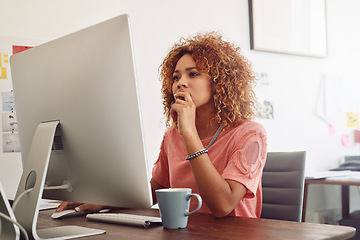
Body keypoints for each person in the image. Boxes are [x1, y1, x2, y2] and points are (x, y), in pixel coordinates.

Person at [56, 32, 267, 218]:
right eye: (176, 77)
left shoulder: (250, 133)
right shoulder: (173, 136)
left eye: (193, 74)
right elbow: (152, 192)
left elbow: (223, 205)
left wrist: (190, 135)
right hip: (186, 232)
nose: (180, 83)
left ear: (220, 82)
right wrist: (102, 200)